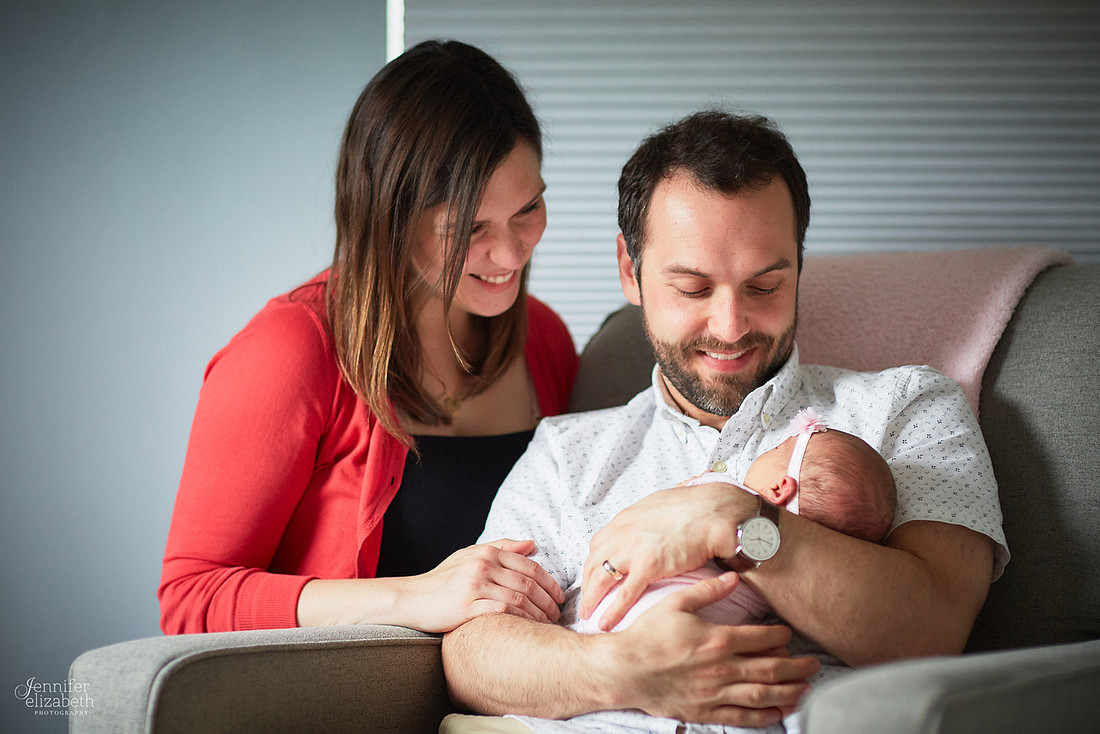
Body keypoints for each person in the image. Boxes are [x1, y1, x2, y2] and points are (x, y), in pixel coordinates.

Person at [440, 110, 1007, 734]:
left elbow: (931, 631)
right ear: (631, 270)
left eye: (765, 285)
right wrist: (626, 671)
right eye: (692, 288)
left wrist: (736, 521)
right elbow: (475, 653)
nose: (732, 326)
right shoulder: (568, 451)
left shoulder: (907, 410)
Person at [158, 40, 577, 636]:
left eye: (528, 209)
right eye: (471, 227)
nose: (510, 253)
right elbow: (190, 597)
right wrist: (414, 598)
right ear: (391, 218)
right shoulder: (292, 352)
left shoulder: (546, 342)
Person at [577, 410, 897, 635]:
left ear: (780, 487)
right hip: (695, 633)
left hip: (627, 613)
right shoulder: (799, 591)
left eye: (776, 448)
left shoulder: (723, 491)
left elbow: (666, 505)